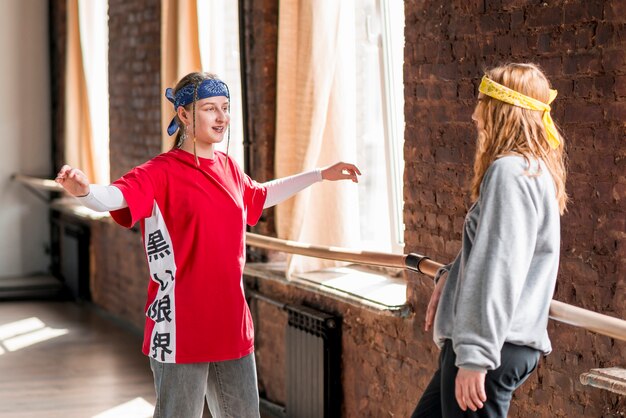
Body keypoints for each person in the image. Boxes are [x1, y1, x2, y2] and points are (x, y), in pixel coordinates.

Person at [55, 71, 361, 418]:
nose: (221, 118)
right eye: (209, 109)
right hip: (181, 322)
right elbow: (113, 197)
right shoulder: (159, 172)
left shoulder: (229, 166)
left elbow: (260, 194)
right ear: (184, 115)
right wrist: (84, 191)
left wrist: (320, 174)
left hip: (230, 320)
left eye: (225, 108)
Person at [412, 63, 567, 418]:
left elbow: (498, 266)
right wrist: (452, 273)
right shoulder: (533, 169)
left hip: (490, 348)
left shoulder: (509, 172)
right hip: (498, 344)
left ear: (501, 110)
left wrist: (475, 356)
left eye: (482, 102)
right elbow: (495, 246)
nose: (474, 114)